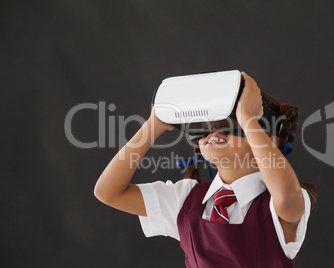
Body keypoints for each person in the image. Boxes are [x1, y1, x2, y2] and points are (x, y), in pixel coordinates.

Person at [94, 72, 318, 267]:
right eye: (204, 126)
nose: (213, 132)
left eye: (230, 123)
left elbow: (287, 196)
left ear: (270, 139)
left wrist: (248, 120)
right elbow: (108, 192)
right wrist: (154, 124)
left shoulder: (281, 202)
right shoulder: (185, 199)